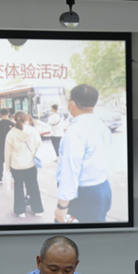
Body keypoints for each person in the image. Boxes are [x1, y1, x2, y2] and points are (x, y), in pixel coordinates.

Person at [55, 84, 113, 223]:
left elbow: (70, 170)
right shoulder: (101, 125)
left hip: (83, 196)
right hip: (103, 188)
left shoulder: (75, 132)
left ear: (72, 103)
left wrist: (61, 206)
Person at [5, 111, 44, 218]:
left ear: (14, 119)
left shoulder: (11, 134)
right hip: (31, 165)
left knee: (18, 188)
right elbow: (39, 145)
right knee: (33, 187)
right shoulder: (33, 131)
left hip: (16, 166)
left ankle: (20, 211)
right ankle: (37, 210)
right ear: (26, 119)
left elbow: (7, 152)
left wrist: (7, 166)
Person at [0, 107, 14, 184]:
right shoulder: (12, 123)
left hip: (2, 145)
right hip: (10, 145)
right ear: (8, 114)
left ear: (0, 114)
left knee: (0, 162)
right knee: (11, 161)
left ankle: (0, 178)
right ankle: (13, 176)